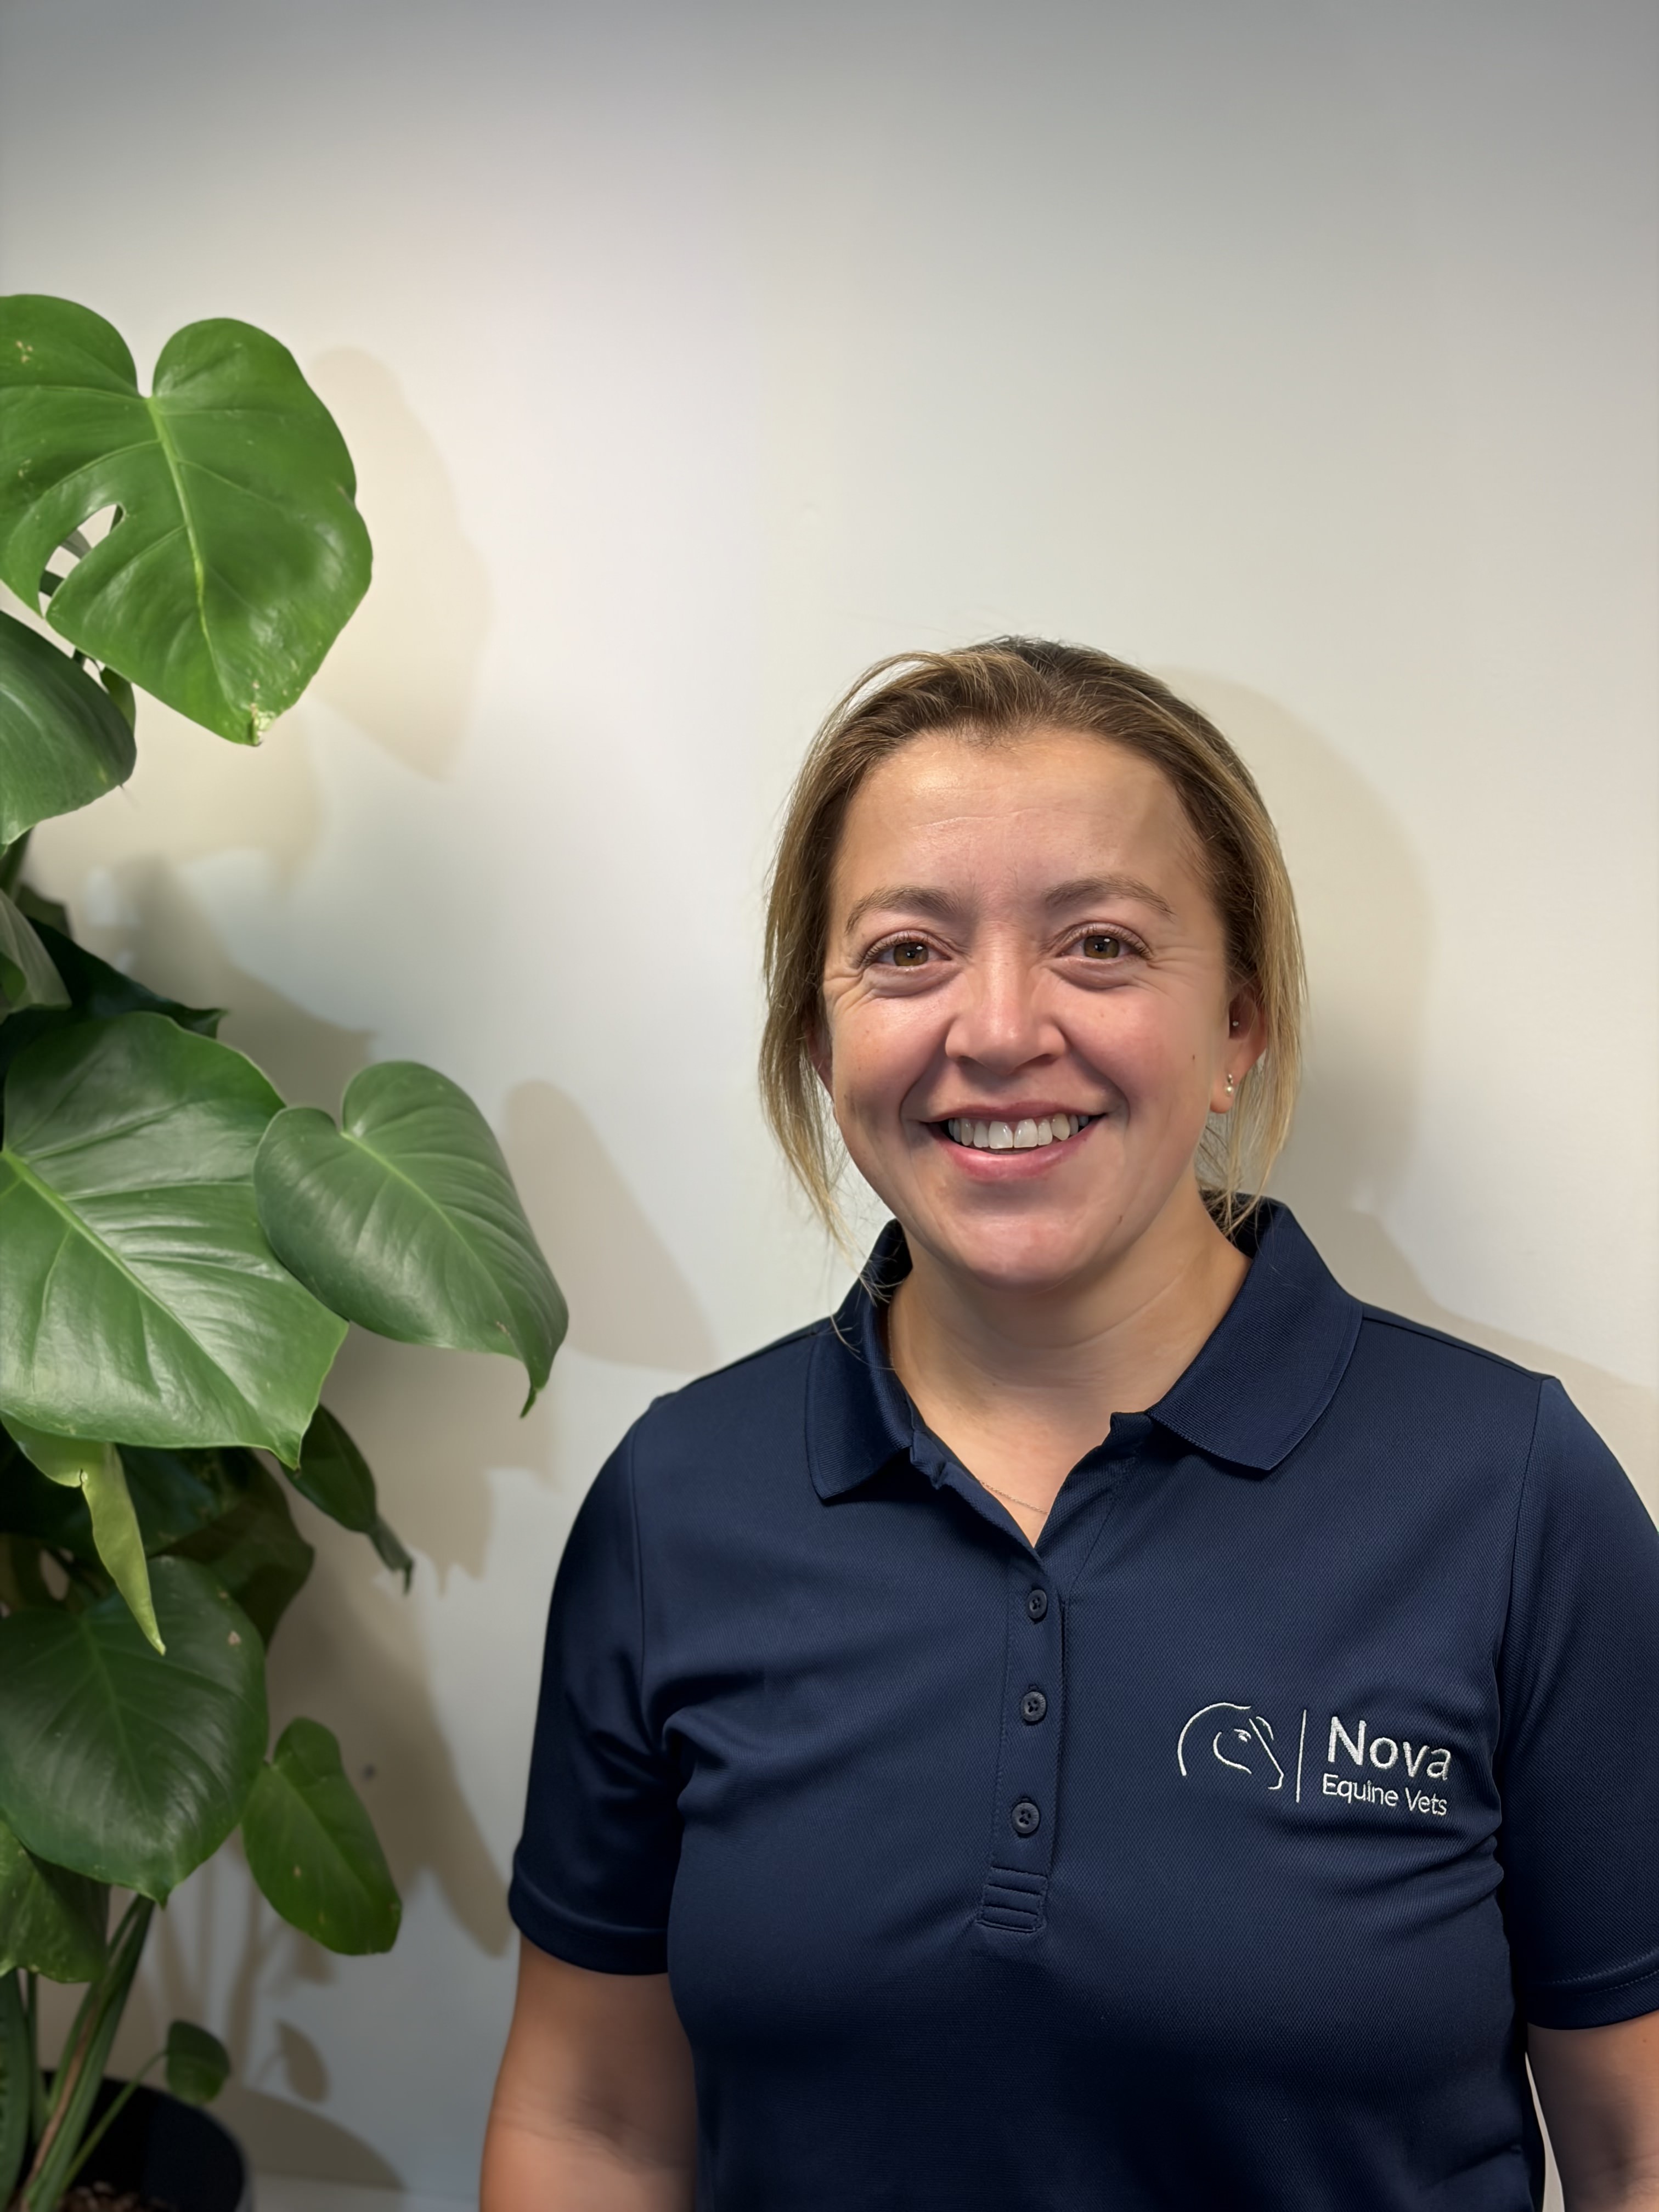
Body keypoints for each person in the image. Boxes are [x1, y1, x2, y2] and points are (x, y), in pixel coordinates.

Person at [482, 640, 1659, 2211]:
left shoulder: (1510, 1498)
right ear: (822, 1038)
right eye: (907, 953)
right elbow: (594, 2122)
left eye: (1100, 944)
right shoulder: (679, 1501)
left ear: (1237, 1022)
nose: (997, 1026)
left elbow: (1640, 2146)